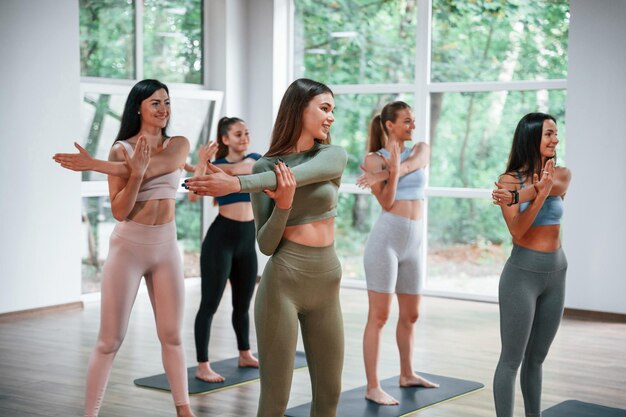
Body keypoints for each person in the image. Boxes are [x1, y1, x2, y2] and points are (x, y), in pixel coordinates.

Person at [184, 78, 347, 417]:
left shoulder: (332, 155)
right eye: (324, 108)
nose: (331, 116)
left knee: (330, 396)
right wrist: (283, 206)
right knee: (275, 400)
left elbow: (298, 176)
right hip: (283, 284)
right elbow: (267, 245)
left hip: (327, 283)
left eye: (333, 109)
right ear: (299, 109)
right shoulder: (264, 166)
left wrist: (235, 184)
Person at [52, 79, 195, 417]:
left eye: (167, 102)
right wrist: (131, 175)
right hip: (129, 247)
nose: (163, 109)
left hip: (166, 247)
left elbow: (156, 168)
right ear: (138, 108)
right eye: (155, 103)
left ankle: (184, 410)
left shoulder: (178, 144)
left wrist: (94, 165)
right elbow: (119, 210)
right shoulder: (121, 149)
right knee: (109, 341)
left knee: (172, 335)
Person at [356, 101, 438, 406]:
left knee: (411, 314)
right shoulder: (372, 159)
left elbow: (415, 164)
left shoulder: (420, 148)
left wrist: (389, 172)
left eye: (413, 120)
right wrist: (384, 173)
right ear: (390, 124)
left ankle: (407, 373)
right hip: (387, 240)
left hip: (414, 243)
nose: (413, 125)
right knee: (379, 316)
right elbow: (387, 203)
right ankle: (372, 385)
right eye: (407, 120)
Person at [491, 112, 571, 417]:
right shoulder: (507, 179)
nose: (555, 139)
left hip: (557, 273)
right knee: (511, 360)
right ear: (531, 137)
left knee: (537, 358)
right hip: (521, 276)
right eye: (549, 134)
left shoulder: (561, 174)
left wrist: (515, 196)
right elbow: (517, 231)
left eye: (556, 133)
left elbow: (552, 186)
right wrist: (532, 196)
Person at [188, 117, 261, 382]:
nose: (244, 138)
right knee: (209, 304)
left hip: (246, 241)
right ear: (225, 139)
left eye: (246, 132)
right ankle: (202, 365)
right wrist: (200, 166)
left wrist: (210, 168)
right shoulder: (213, 166)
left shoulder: (255, 159)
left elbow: (248, 169)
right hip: (221, 240)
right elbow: (194, 195)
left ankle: (244, 353)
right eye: (238, 134)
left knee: (242, 305)